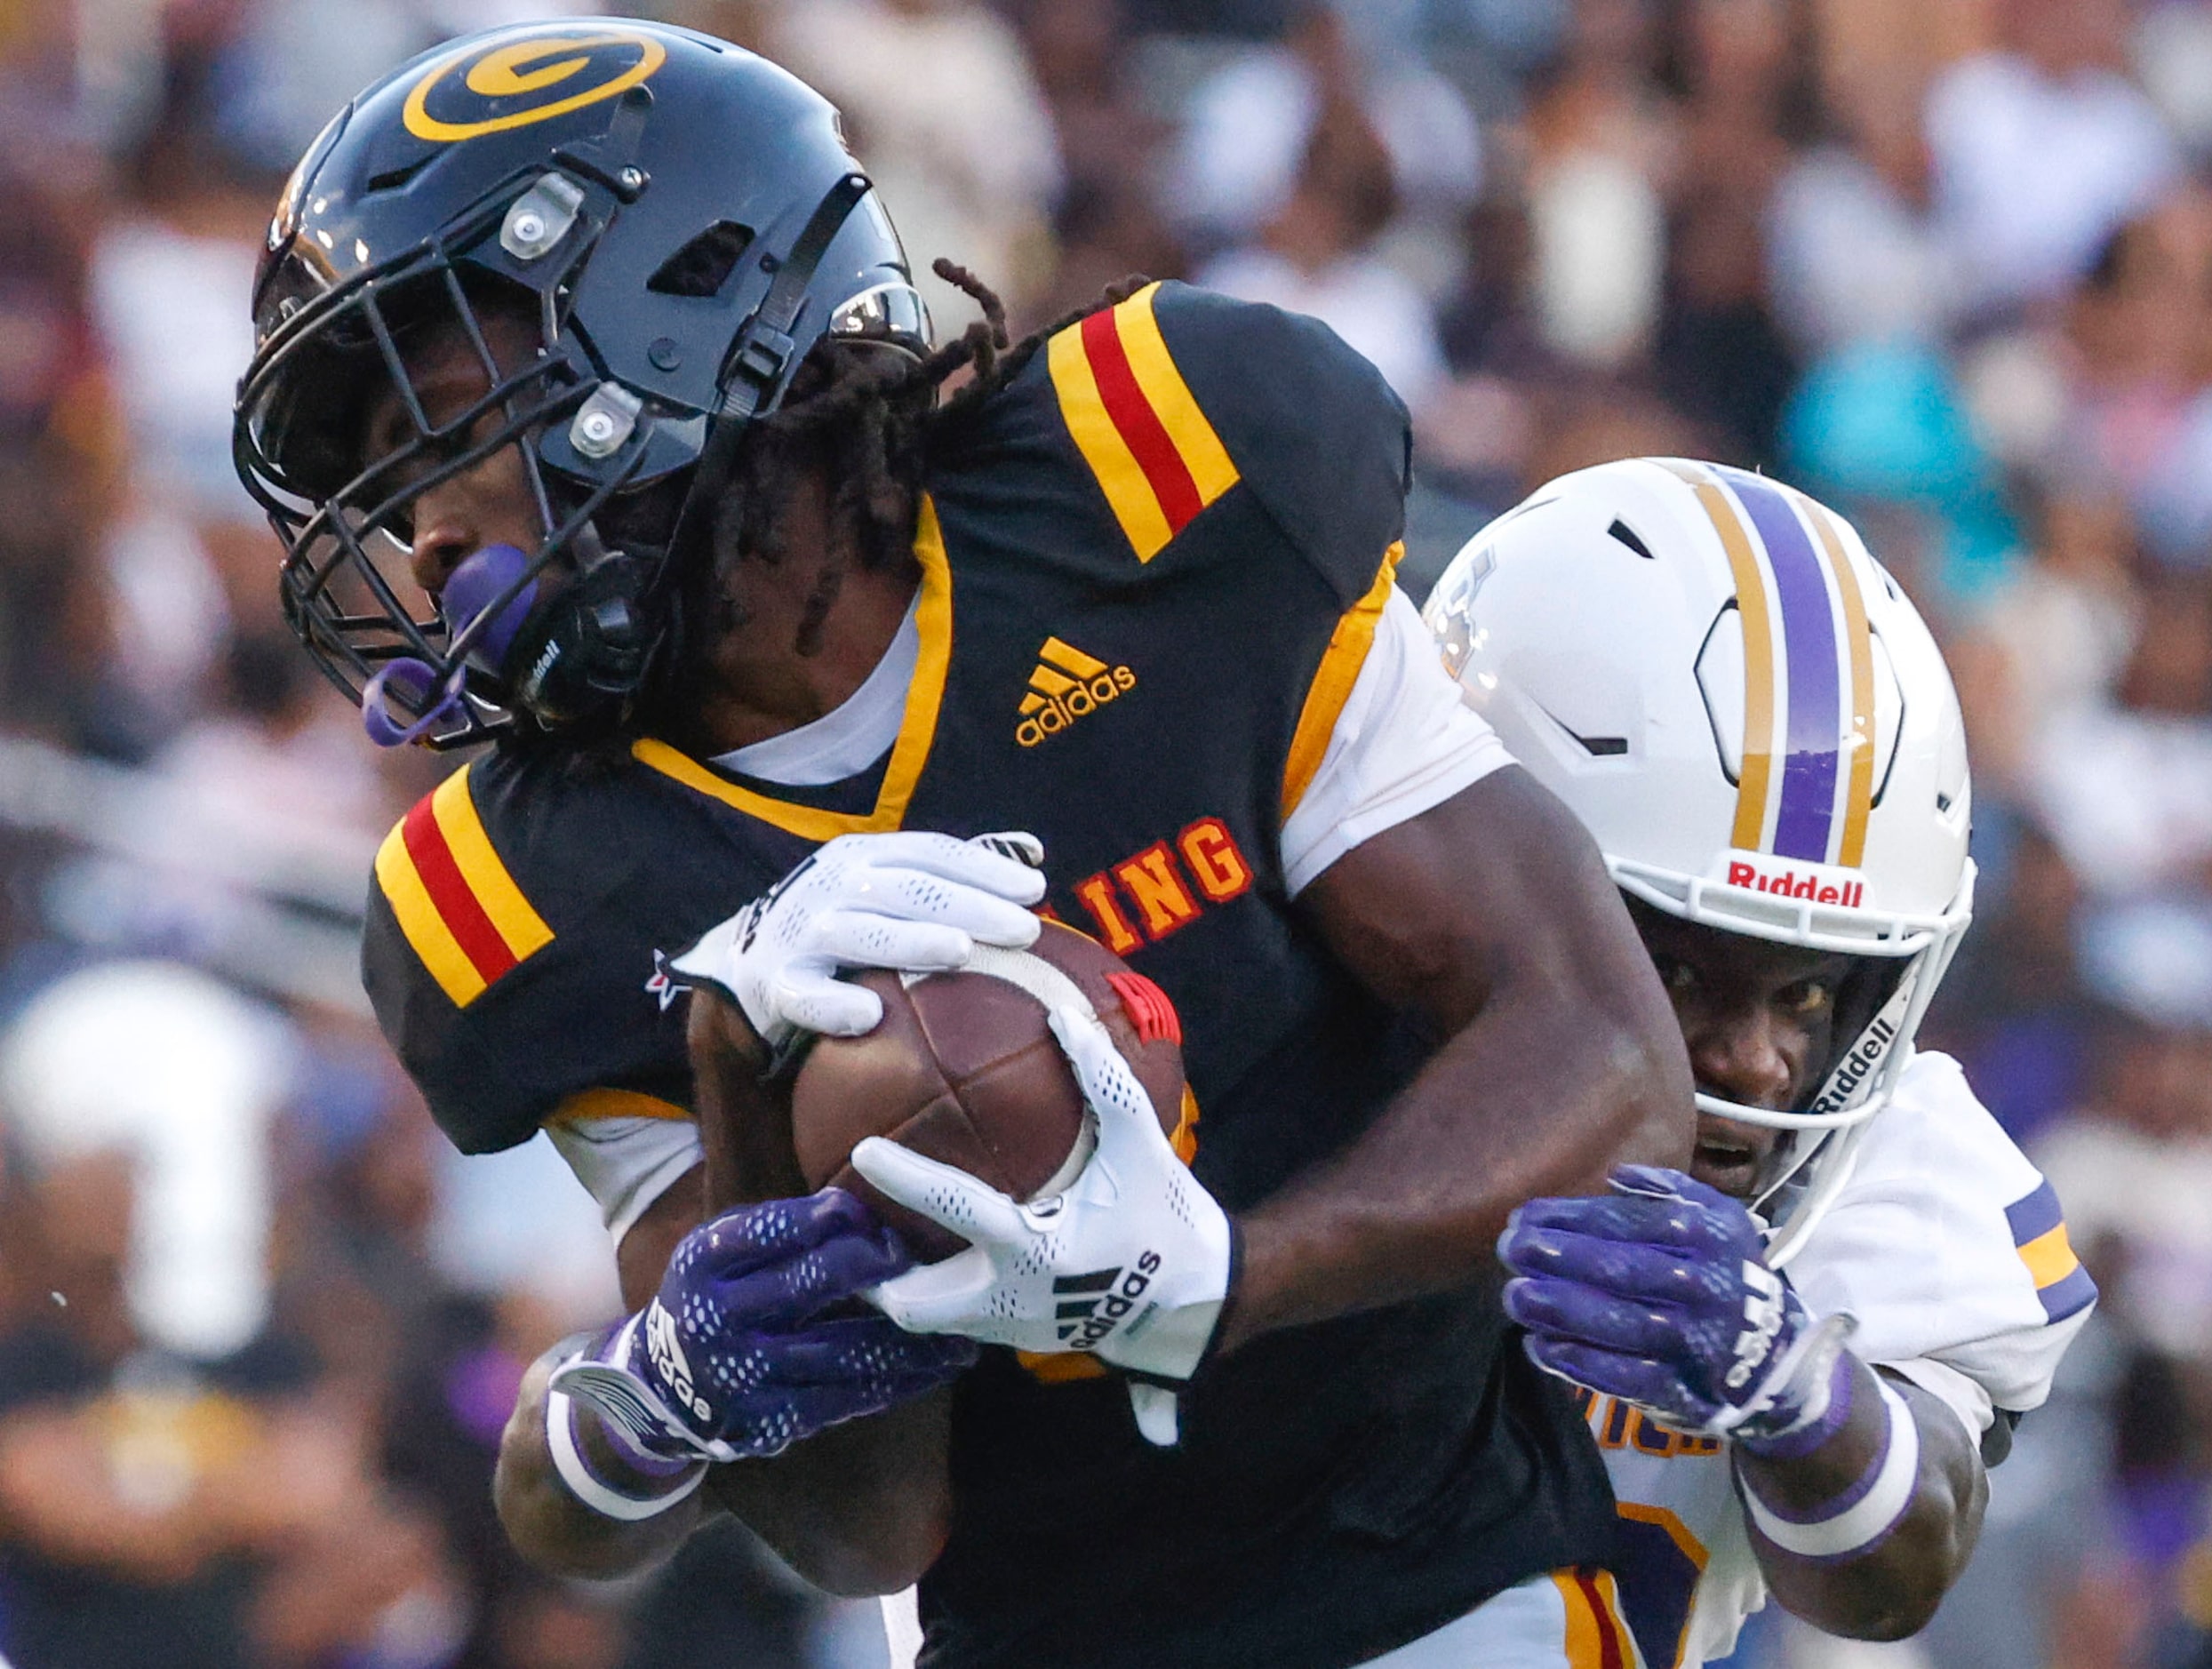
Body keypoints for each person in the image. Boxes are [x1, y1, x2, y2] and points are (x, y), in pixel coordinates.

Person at [231, 20, 1690, 1668]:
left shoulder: (1152, 470)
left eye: (442, 423)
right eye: (378, 481)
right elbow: (866, 1525)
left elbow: (1606, 1050)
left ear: (677, 301)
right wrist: (743, 1083)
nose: (419, 537)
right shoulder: (507, 893)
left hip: (1447, 1588)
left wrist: (1223, 1274)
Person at [1424, 459, 2097, 1665]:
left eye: (1807, 989)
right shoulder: (1266, 1028)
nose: (1764, 1062)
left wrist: (1799, 1391)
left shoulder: (1897, 1176)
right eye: (1681, 970)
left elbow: (1896, 1572)